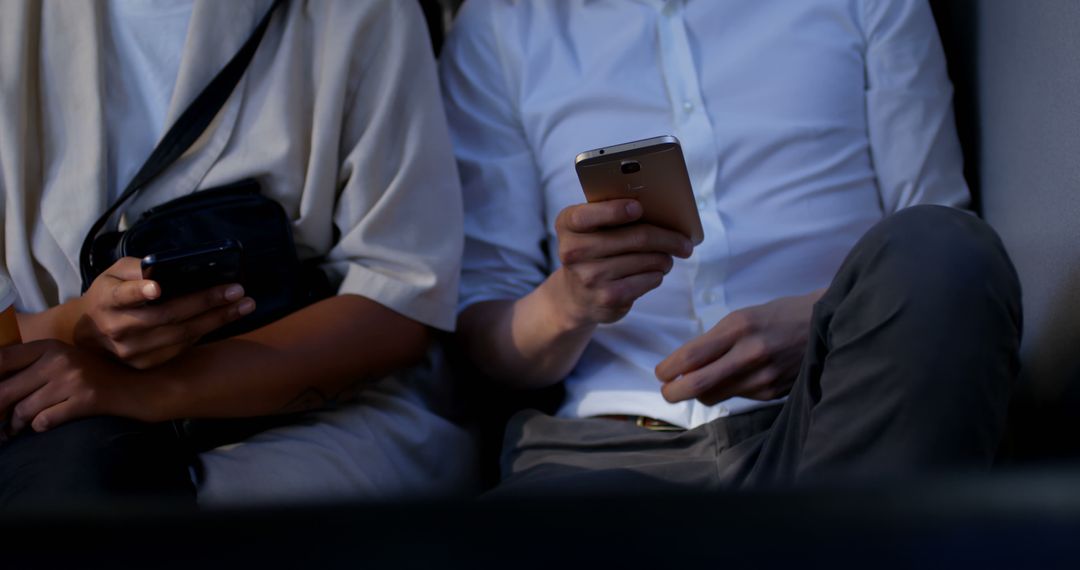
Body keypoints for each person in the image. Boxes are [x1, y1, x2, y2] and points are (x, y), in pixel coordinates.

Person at [439, 0, 1022, 493]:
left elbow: (941, 250)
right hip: (601, 457)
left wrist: (826, 322)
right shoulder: (500, 24)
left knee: (947, 248)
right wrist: (569, 302)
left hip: (832, 423)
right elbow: (486, 340)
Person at [0, 0, 473, 508]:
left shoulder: (359, 13)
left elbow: (400, 307)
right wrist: (78, 326)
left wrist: (142, 389)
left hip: (312, 429)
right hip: (56, 429)